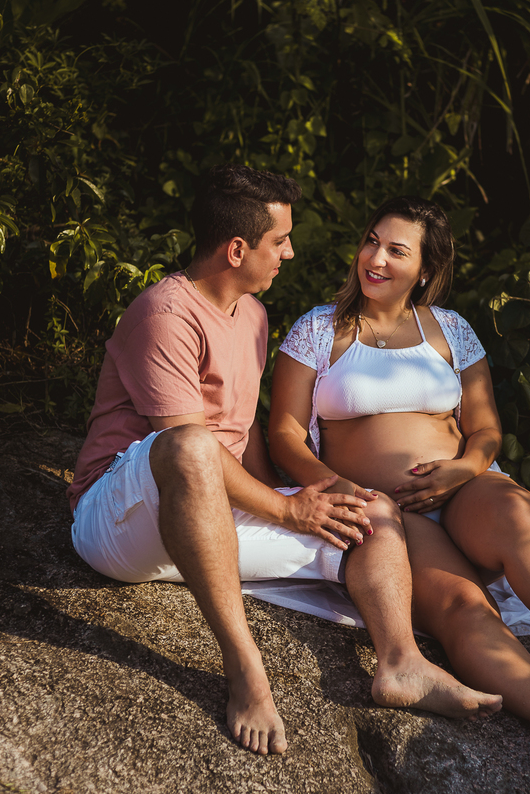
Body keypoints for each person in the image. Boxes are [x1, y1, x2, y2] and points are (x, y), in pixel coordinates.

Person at [66, 168, 501, 757]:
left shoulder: (251, 314)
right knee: (192, 446)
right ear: (238, 248)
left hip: (208, 518)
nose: (290, 252)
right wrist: (286, 509)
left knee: (365, 509)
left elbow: (241, 436)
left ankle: (401, 665)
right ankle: (245, 670)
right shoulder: (164, 314)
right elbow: (190, 448)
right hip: (123, 518)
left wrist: (302, 503)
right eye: (280, 241)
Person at [268, 196, 530, 770]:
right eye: (371, 240)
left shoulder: (451, 331)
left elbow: (484, 428)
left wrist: (463, 468)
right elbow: (283, 433)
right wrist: (338, 486)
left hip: (464, 489)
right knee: (464, 604)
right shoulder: (320, 328)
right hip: (390, 512)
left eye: (396, 250)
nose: (375, 258)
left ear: (426, 270)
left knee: (524, 521)